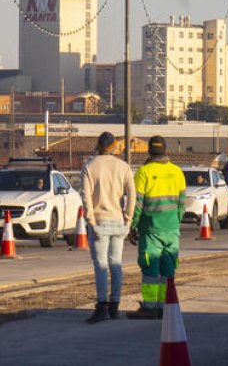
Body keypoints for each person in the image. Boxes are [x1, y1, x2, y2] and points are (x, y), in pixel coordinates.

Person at [79, 132, 137, 323]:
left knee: (101, 265)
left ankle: (102, 304)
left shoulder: (89, 166)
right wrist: (128, 220)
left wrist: (91, 220)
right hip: (118, 220)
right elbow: (132, 195)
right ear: (114, 146)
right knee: (116, 264)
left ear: (98, 145)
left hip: (99, 221)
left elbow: (85, 196)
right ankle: (115, 306)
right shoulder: (123, 167)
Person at [127, 136, 186, 319]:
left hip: (151, 229)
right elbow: (182, 204)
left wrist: (132, 225)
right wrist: (175, 222)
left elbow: (137, 204)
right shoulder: (177, 172)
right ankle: (164, 305)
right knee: (168, 270)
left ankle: (151, 307)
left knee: (150, 269)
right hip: (172, 229)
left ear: (149, 151)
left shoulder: (143, 172)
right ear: (165, 150)